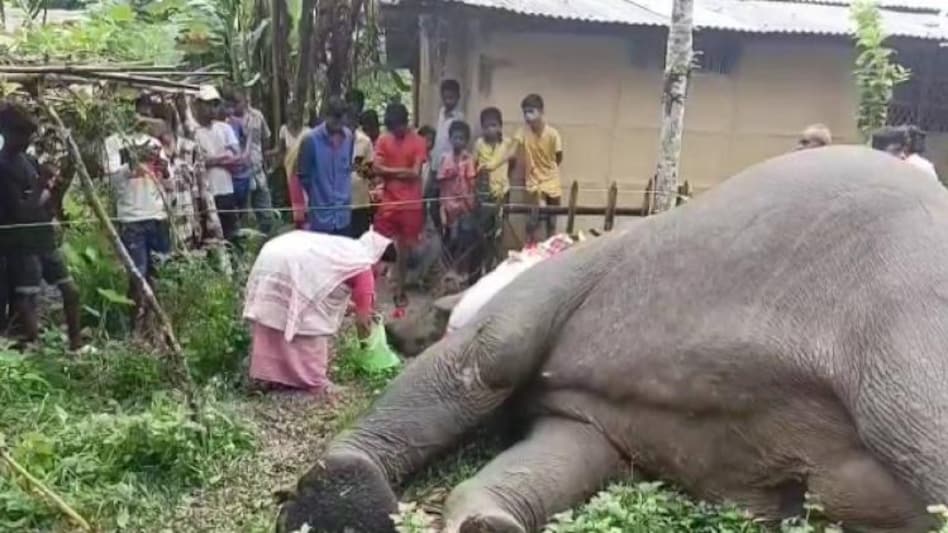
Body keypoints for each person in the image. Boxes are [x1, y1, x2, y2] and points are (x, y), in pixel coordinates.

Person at [243, 229, 390, 397]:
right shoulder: (363, 267)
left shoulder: (349, 250)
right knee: (312, 323)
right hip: (290, 261)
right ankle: (314, 381)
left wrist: (355, 309)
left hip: (273, 253)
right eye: (386, 270)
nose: (385, 275)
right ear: (378, 259)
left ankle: (273, 376)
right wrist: (368, 348)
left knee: (276, 314)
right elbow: (363, 322)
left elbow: (324, 286)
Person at [0, 104, 82, 349]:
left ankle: (75, 344)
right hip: (20, 242)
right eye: (20, 133)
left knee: (71, 290)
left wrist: (53, 187)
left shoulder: (29, 160)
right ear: (5, 132)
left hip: (42, 237)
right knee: (26, 297)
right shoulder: (2, 167)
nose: (25, 140)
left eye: (28, 134)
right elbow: (20, 211)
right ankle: (37, 346)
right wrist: (41, 185)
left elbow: (41, 203)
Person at [103, 112, 172, 331]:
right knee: (137, 273)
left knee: (160, 271)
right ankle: (134, 324)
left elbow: (168, 178)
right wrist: (134, 159)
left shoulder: (154, 143)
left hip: (156, 214)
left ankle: (156, 323)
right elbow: (112, 177)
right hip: (132, 216)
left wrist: (161, 165)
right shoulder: (113, 143)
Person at [373, 103, 428, 309]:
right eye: (392, 127)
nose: (396, 131)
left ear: (406, 123)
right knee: (378, 247)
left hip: (410, 204)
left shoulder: (419, 141)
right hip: (388, 202)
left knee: (405, 249)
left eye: (399, 126)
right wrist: (400, 171)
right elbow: (376, 169)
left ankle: (400, 290)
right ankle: (371, 290)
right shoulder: (383, 139)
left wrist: (388, 171)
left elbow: (415, 173)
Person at [298, 96, 354, 236]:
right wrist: (317, 195)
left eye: (341, 118)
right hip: (321, 216)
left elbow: (348, 167)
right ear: (326, 116)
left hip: (343, 215)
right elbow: (303, 176)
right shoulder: (310, 140)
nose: (338, 122)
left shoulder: (349, 137)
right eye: (335, 118)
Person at [193, 86, 242, 241]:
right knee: (208, 237)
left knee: (232, 235)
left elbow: (237, 157)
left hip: (226, 190)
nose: (212, 109)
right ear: (198, 105)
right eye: (208, 104)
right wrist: (222, 157)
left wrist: (211, 159)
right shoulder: (192, 132)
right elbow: (196, 163)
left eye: (215, 104)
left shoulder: (225, 128)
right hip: (205, 193)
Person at [516, 93, 563, 243]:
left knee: (552, 221)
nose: (527, 116)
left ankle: (551, 252)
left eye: (531, 111)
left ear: (541, 111)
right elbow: (512, 150)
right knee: (534, 220)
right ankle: (531, 249)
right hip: (534, 182)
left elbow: (558, 157)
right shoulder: (523, 132)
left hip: (552, 180)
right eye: (525, 112)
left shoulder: (553, 134)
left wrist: (548, 171)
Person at [436, 120, 478, 276]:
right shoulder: (444, 158)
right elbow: (440, 180)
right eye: (455, 138)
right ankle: (448, 269)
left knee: (465, 238)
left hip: (464, 205)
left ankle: (463, 271)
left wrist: (471, 200)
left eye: (461, 138)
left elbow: (472, 180)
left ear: (466, 141)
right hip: (448, 205)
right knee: (450, 238)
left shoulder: (468, 159)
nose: (458, 141)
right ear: (450, 139)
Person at [230, 92, 275, 233]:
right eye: (232, 103)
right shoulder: (227, 121)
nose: (235, 106)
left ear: (245, 101)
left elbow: (265, 138)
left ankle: (264, 237)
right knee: (244, 216)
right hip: (239, 174)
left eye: (238, 102)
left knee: (266, 211)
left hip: (257, 169)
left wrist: (265, 160)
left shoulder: (257, 116)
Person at [348, 108, 375, 238]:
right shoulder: (334, 141)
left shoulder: (365, 141)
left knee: (361, 239)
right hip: (341, 202)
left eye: (351, 122)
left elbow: (371, 173)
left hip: (361, 201)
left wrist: (361, 169)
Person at [430, 79, 464, 181]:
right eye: (445, 98)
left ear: (458, 97)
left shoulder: (459, 117)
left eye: (451, 98)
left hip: (449, 163)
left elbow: (460, 142)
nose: (448, 101)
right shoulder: (440, 112)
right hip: (436, 161)